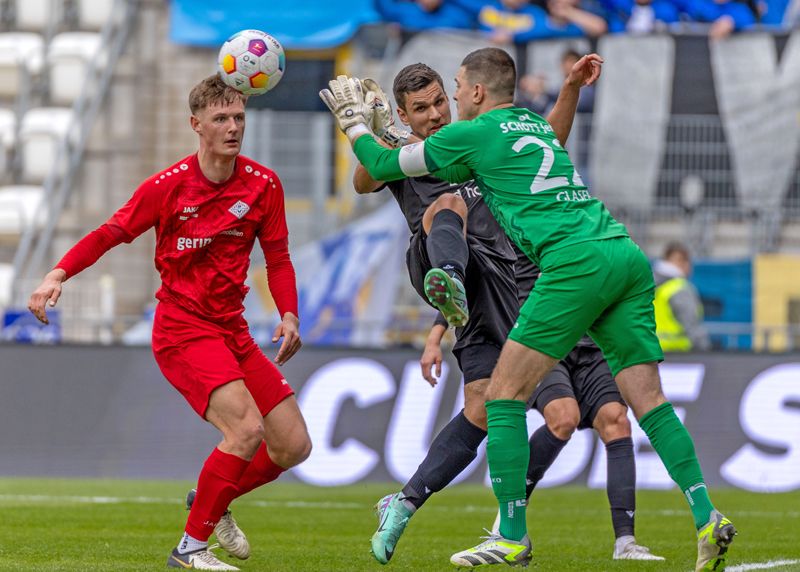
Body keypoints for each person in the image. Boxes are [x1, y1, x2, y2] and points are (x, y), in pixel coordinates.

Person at [320, 47, 735, 572]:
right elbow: (373, 173)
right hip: (618, 252)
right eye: (423, 105)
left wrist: (354, 123)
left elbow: (380, 160)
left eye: (453, 89)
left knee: (503, 396)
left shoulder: (470, 134)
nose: (444, 103)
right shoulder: (527, 126)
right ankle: (706, 514)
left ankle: (511, 535)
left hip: (554, 269)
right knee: (647, 399)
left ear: (474, 92)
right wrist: (569, 92)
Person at [28, 75, 312, 572]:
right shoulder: (168, 186)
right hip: (182, 329)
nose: (232, 127)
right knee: (245, 428)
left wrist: (288, 312)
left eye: (239, 118)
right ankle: (190, 548)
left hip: (234, 330)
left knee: (292, 445)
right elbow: (110, 233)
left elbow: (279, 258)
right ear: (195, 125)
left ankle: (210, 499)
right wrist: (57, 274)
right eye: (221, 119)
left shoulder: (263, 184)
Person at [422, 244, 665, 562]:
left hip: (593, 342)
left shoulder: (579, 220)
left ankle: (626, 542)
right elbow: (469, 279)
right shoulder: (511, 221)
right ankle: (512, 516)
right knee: (563, 417)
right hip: (543, 342)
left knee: (617, 420)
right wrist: (434, 335)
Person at [653, 241, 710, 352]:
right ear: (681, 261)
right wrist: (705, 349)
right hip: (679, 354)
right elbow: (691, 324)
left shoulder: (648, 285)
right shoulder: (680, 288)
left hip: (652, 354)